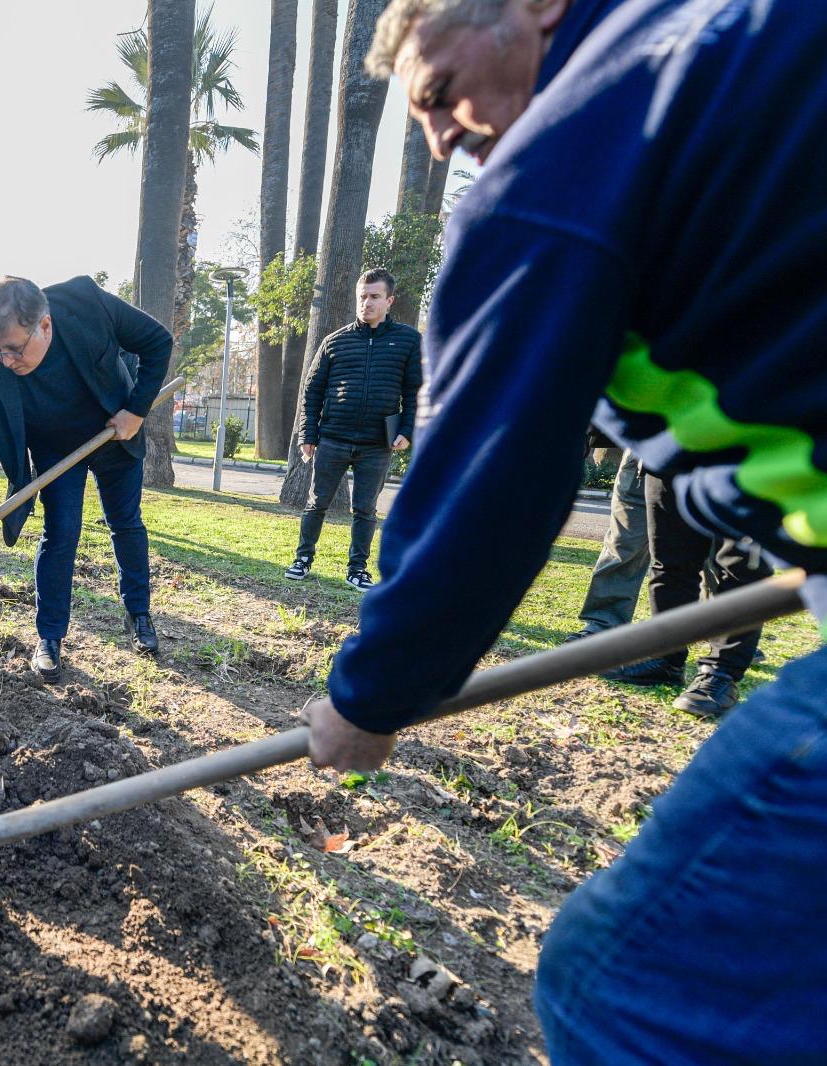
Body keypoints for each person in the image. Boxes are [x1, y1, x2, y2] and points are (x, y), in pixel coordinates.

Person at [311, 1, 827, 1061]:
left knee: (615, 988)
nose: (440, 139)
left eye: (440, 92)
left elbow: (491, 476)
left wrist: (370, 691)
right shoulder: (719, 50)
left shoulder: (561, 162)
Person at [0, 275, 171, 682]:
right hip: (56, 451)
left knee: (125, 523)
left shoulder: (85, 303)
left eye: (14, 349)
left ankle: (139, 614)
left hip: (116, 431)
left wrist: (136, 411)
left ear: (44, 325)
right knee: (61, 532)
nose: (7, 360)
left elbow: (157, 342)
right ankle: (49, 638)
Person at [283, 268, 420, 591]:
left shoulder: (409, 341)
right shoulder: (335, 342)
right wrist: (308, 436)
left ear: (389, 300)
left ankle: (357, 569)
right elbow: (312, 390)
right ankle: (303, 558)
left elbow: (415, 391)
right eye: (362, 297)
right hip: (333, 438)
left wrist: (408, 430)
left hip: (377, 443)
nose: (367, 303)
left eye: (374, 297)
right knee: (317, 502)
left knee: (365, 509)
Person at [600, 471, 772, 716]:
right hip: (670, 455)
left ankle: (721, 672)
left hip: (745, 455)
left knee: (739, 567)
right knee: (670, 562)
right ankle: (666, 658)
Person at [570, 444, 648, 638]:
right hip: (645, 449)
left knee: (717, 550)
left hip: (720, 450)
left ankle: (721, 634)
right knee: (624, 541)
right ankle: (604, 624)